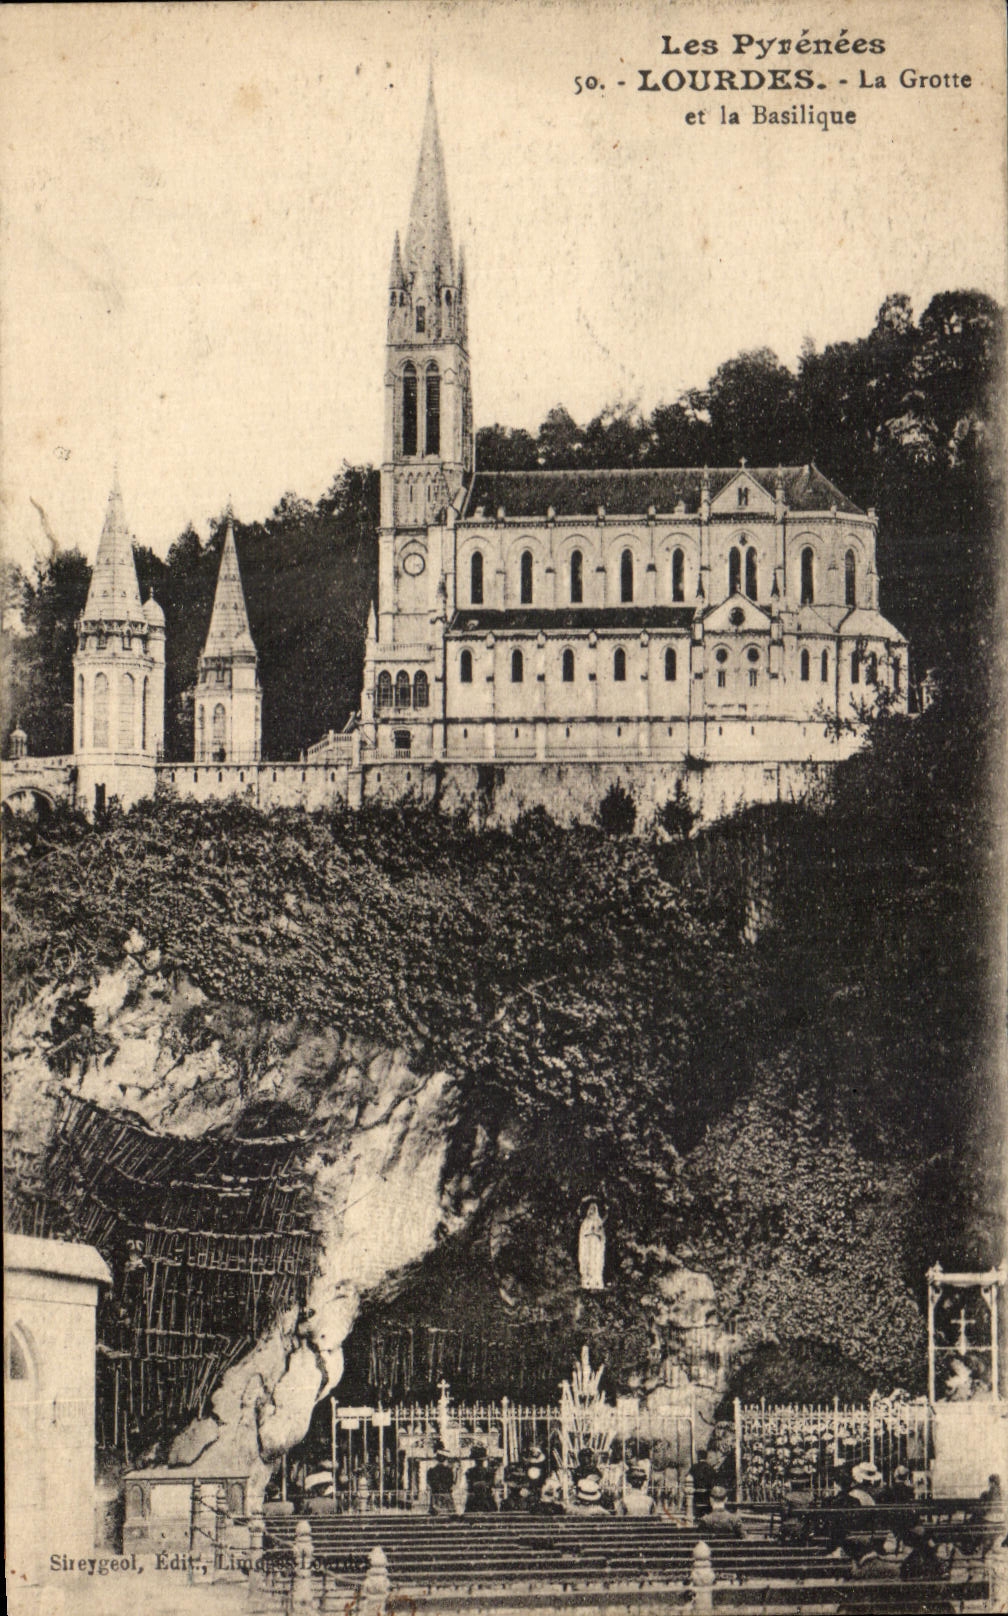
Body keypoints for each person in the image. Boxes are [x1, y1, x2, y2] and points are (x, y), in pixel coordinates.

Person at [465, 1444, 497, 1513]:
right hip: (485, 1498)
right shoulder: (489, 1471)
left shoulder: (470, 1471)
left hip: (478, 1499)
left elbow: (469, 1487)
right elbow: (492, 1485)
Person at [689, 1449, 720, 1518]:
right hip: (707, 1496)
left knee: (697, 1515)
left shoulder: (693, 1468)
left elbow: (689, 1479)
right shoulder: (710, 1468)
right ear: (706, 1457)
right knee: (707, 1514)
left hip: (696, 1495)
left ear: (698, 1457)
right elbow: (714, 1482)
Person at [428, 1447, 456, 1516]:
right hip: (446, 1495)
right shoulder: (449, 1471)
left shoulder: (431, 1471)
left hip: (435, 1495)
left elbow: (430, 1483)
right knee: (449, 1514)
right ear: (444, 1459)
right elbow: (451, 1483)